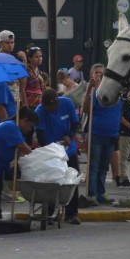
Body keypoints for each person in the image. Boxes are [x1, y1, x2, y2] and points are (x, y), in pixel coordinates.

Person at [83, 64, 129, 205]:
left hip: (111, 134)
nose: (99, 75)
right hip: (96, 134)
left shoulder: (118, 95)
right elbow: (86, 108)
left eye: (101, 73)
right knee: (94, 166)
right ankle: (91, 194)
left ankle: (100, 193)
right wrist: (89, 89)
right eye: (96, 73)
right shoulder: (96, 94)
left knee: (103, 167)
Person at [35, 88, 82, 225]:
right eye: (48, 107)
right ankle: (50, 213)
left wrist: (70, 136)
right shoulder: (40, 111)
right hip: (51, 151)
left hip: (69, 150)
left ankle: (72, 213)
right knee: (51, 182)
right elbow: (40, 135)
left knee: (71, 182)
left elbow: (74, 123)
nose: (51, 109)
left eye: (53, 106)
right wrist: (50, 150)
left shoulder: (67, 103)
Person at [0, 108, 37, 224]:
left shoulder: (13, 127)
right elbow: (23, 147)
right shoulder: (10, 127)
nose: (29, 130)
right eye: (29, 126)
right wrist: (38, 158)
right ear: (24, 120)